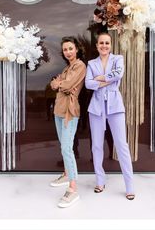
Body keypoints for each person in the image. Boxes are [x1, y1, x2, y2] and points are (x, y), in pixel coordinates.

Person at [85, 33, 135, 200]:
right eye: (101, 43)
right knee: (97, 146)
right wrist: (107, 80)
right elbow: (88, 83)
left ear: (110, 45)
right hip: (96, 108)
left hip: (115, 106)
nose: (104, 45)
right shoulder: (91, 63)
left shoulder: (118, 59)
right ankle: (100, 181)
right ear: (97, 45)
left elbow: (119, 74)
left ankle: (130, 186)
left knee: (122, 145)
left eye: (107, 43)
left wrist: (100, 79)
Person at [50, 36, 86, 208]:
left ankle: (73, 189)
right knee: (62, 146)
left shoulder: (80, 66)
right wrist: (59, 83)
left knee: (67, 148)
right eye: (65, 49)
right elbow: (54, 85)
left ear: (76, 49)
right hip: (58, 110)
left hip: (70, 112)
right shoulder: (67, 68)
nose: (68, 52)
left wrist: (61, 84)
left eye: (70, 48)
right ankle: (66, 174)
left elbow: (66, 85)